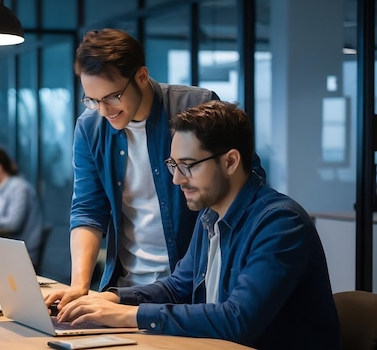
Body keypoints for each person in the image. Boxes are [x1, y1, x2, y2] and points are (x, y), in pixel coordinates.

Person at [55, 101, 339, 349]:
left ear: (230, 161)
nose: (177, 179)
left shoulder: (280, 224)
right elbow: (177, 288)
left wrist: (131, 316)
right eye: (173, 165)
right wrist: (111, 300)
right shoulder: (211, 215)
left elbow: (238, 320)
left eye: (188, 166)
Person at [45, 28, 266, 308]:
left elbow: (246, 181)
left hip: (189, 286)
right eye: (93, 100)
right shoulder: (90, 128)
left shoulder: (194, 107)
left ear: (141, 76)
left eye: (112, 97)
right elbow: (88, 209)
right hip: (124, 289)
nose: (104, 111)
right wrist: (79, 286)